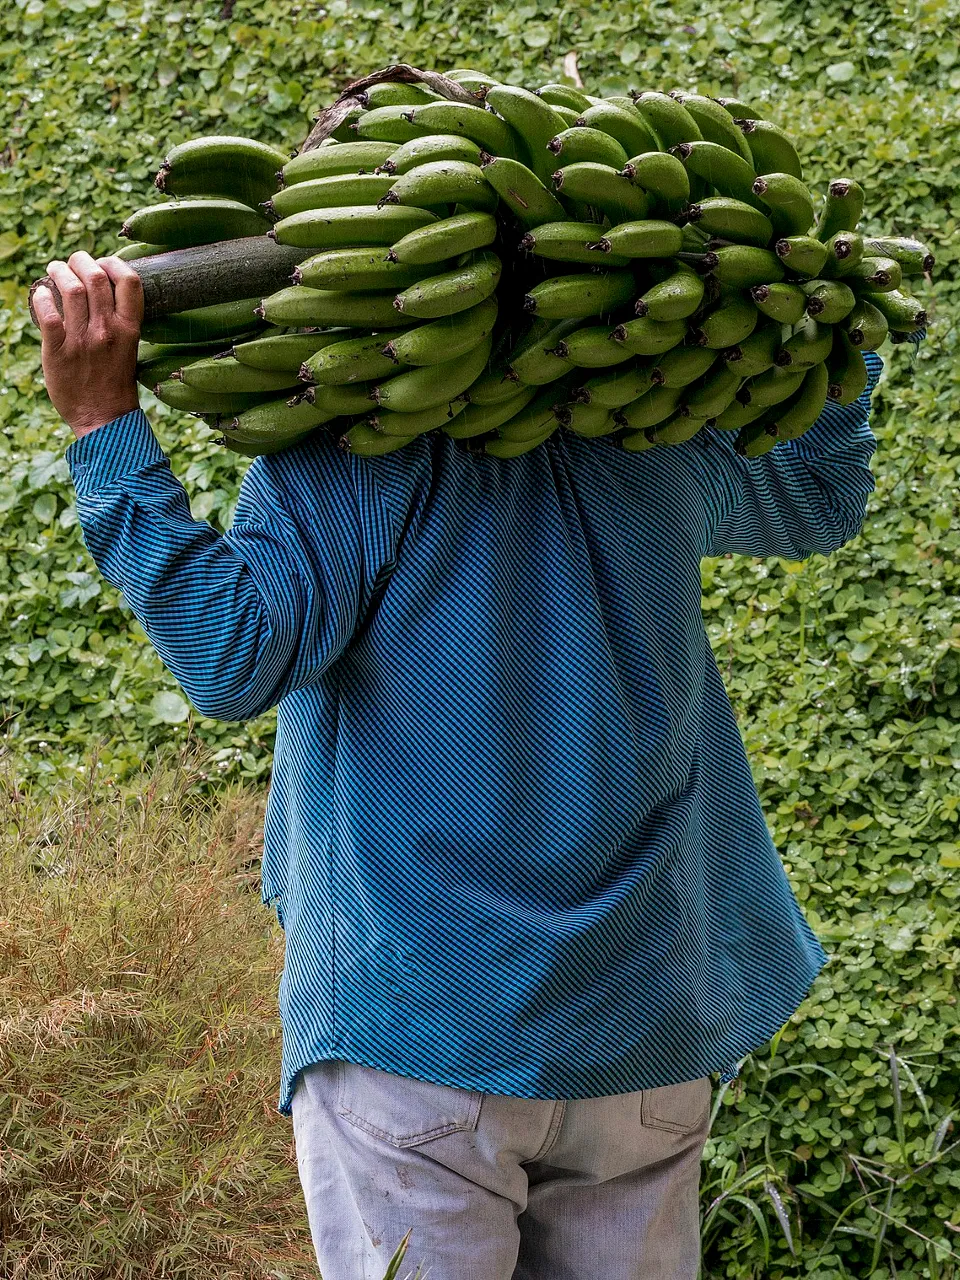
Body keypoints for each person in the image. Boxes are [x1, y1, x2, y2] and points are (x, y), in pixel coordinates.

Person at [36, 250, 886, 1280]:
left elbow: (230, 651)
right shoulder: (651, 428)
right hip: (644, 1032)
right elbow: (817, 496)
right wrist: (832, 330)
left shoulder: (353, 458)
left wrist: (103, 427)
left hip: (417, 1038)